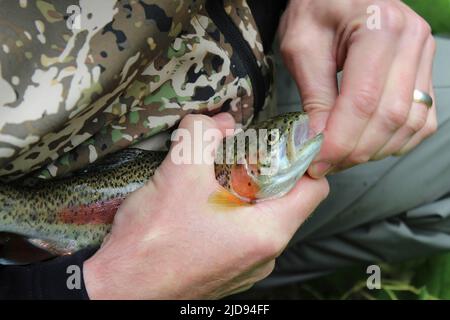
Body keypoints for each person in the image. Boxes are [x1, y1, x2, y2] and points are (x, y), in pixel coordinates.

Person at [0, 0, 440, 299]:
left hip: (262, 69)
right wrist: (98, 287)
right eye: (273, 144)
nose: (294, 140)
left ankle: (227, 277)